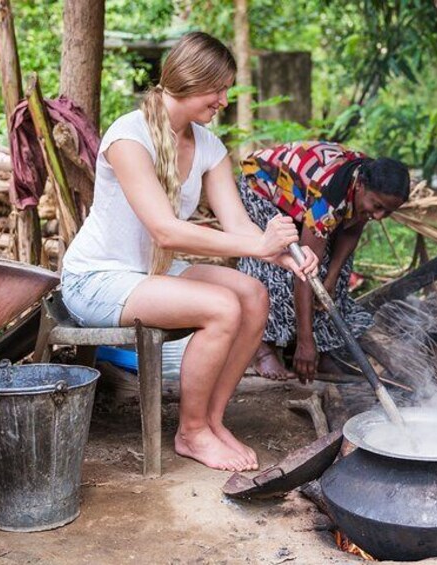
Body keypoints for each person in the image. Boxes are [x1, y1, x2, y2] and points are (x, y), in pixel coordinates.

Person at [60, 32, 318, 473]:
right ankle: (191, 431)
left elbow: (237, 225)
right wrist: (258, 245)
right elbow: (165, 231)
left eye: (227, 89)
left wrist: (281, 253)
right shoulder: (129, 136)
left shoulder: (208, 146)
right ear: (186, 80)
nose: (223, 99)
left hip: (151, 274)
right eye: (217, 88)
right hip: (98, 279)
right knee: (221, 308)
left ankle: (212, 422)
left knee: (254, 295)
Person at [237, 142, 410, 382]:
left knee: (333, 271)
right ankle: (263, 347)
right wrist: (305, 342)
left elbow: (351, 231)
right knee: (280, 260)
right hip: (263, 184)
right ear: (360, 186)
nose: (379, 217)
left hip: (306, 195)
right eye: (377, 207)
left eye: (387, 212)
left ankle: (323, 346)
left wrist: (330, 279)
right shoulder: (329, 195)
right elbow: (304, 269)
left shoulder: (369, 179)